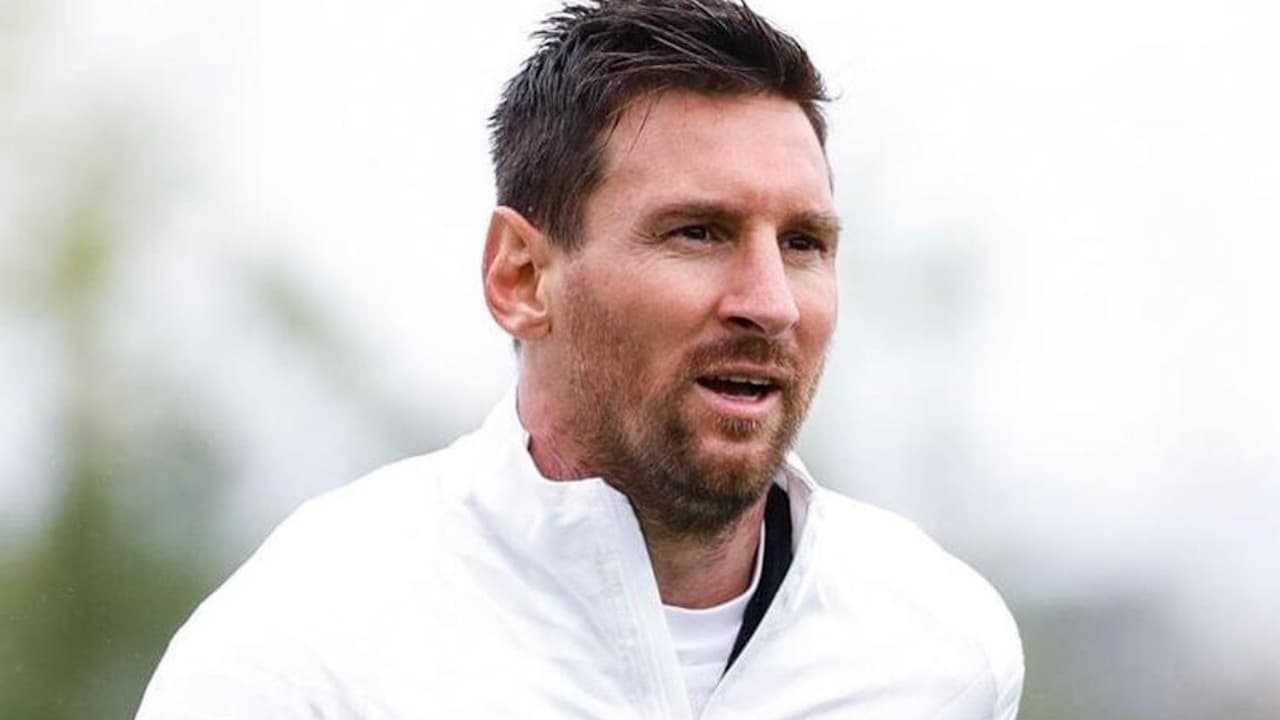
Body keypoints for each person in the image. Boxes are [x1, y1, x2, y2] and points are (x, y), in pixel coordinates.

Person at [137, 1, 1024, 718]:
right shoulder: (304, 654)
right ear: (521, 276)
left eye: (803, 243)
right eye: (698, 233)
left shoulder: (943, 651)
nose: (770, 303)